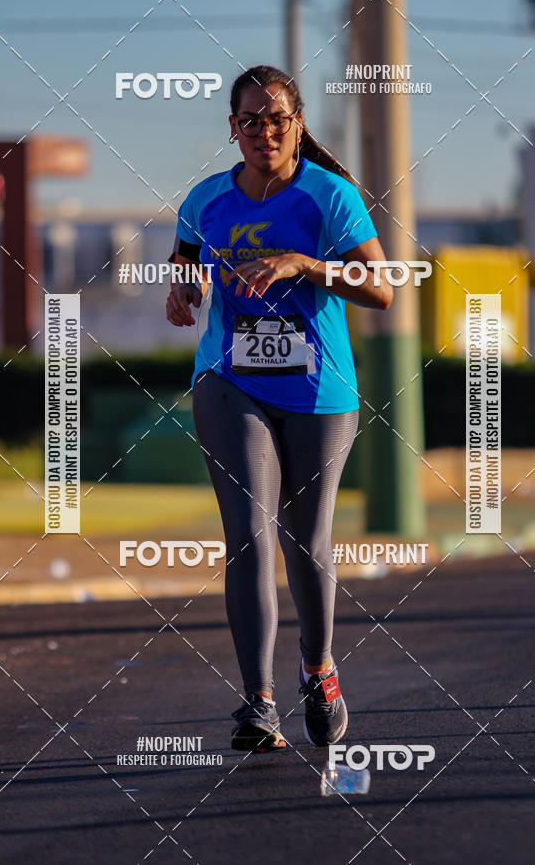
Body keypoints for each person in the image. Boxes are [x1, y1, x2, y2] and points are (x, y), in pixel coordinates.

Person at [166, 64, 392, 752]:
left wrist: (303, 263)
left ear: (297, 125)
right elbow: (184, 262)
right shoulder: (206, 199)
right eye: (251, 121)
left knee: (307, 542)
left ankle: (319, 670)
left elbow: (381, 288)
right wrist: (182, 293)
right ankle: (258, 702)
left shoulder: (330, 196)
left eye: (277, 120)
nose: (264, 132)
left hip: (319, 389)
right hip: (229, 380)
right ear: (232, 128)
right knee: (247, 536)